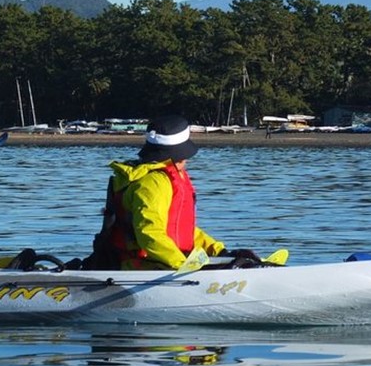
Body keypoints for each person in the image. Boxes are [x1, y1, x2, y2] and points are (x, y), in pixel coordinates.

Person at [87, 114, 262, 271]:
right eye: (184, 155)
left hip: (167, 263)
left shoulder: (166, 178)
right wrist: (183, 265)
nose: (186, 161)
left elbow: (180, 228)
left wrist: (219, 251)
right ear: (177, 155)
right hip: (143, 267)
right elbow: (150, 234)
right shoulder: (153, 183)